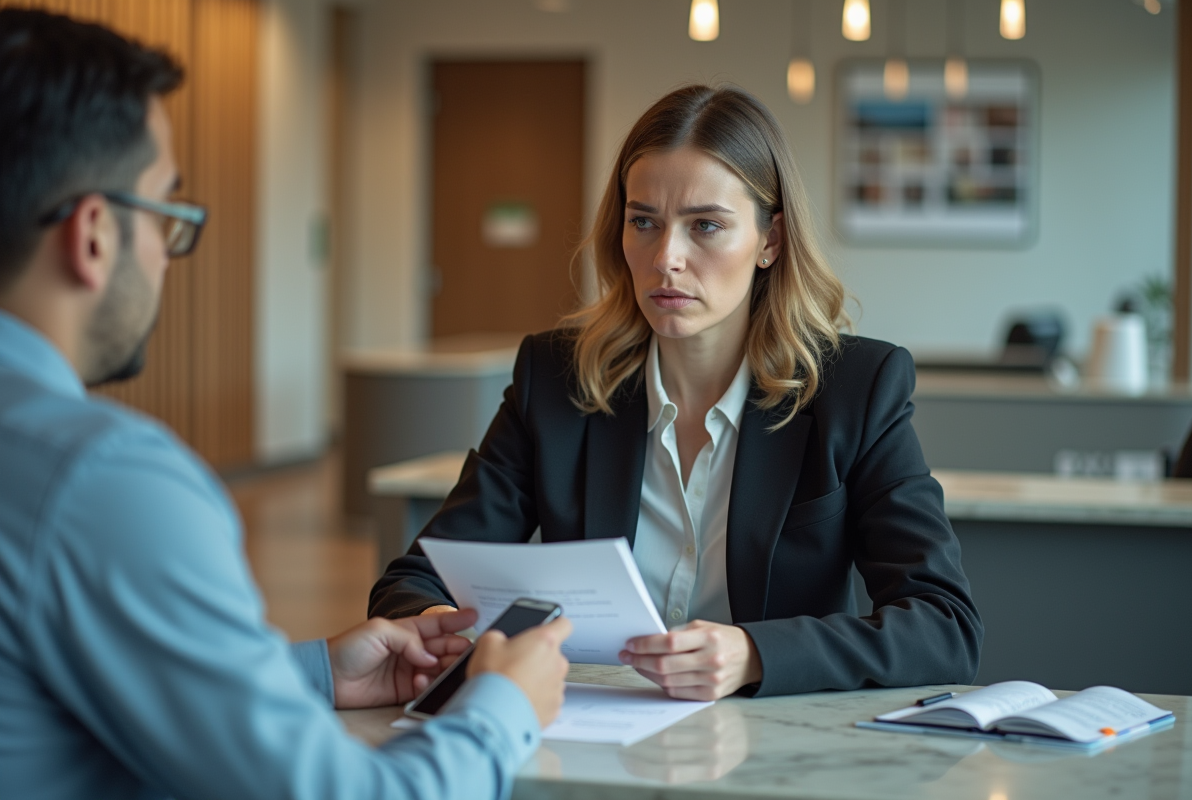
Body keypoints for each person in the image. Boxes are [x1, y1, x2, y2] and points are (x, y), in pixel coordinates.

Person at [0, 9, 571, 800]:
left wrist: (314, 673)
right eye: (167, 216)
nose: (167, 259)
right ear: (94, 235)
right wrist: (503, 706)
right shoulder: (99, 481)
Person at [370, 84, 983, 701]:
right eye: (644, 222)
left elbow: (945, 627)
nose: (667, 258)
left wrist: (754, 654)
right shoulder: (555, 379)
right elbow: (416, 580)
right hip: (588, 728)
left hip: (768, 741)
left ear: (770, 241)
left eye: (706, 226)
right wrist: (440, 629)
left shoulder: (855, 388)